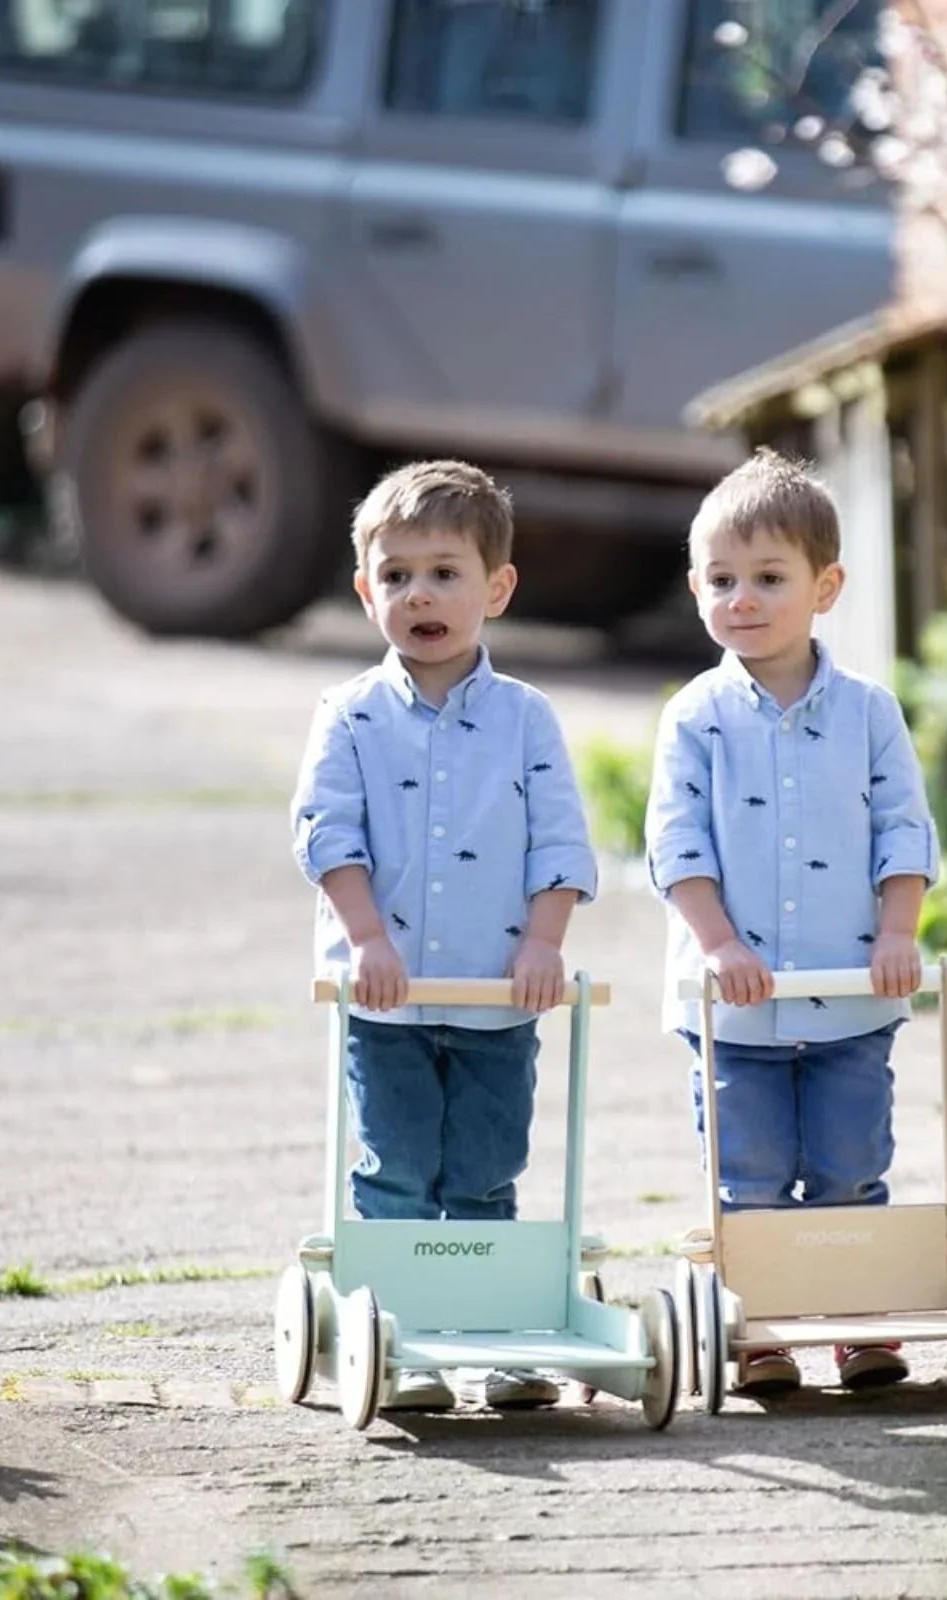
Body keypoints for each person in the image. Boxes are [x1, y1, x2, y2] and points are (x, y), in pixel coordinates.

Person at [291, 459, 596, 1413]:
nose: (418, 594)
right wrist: (366, 940)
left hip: (497, 998)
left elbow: (560, 843)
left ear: (496, 588)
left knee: (484, 1169)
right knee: (396, 1165)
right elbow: (326, 833)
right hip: (383, 997)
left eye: (444, 573)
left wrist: (543, 944)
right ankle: (402, 1340)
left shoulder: (527, 719)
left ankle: (492, 1336)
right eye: (396, 576)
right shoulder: (347, 717)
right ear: (365, 589)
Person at [645, 448, 939, 1396]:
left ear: (826, 587)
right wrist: (719, 944)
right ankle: (760, 1328)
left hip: (851, 994)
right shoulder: (695, 719)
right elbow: (676, 845)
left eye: (768, 579)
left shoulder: (868, 714)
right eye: (722, 581)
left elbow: (903, 829)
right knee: (754, 1174)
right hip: (735, 1006)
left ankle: (858, 1320)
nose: (743, 600)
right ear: (697, 590)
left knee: (852, 1163)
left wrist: (898, 931)